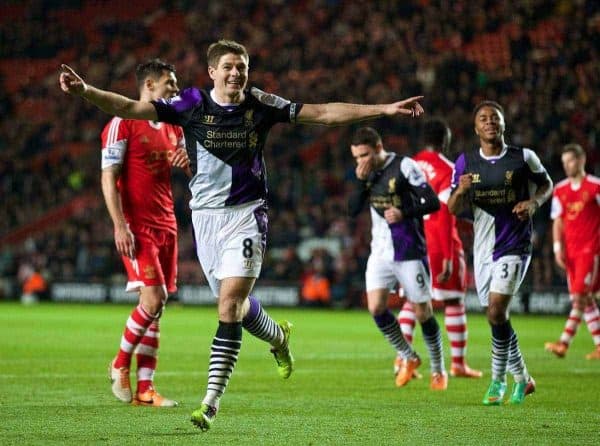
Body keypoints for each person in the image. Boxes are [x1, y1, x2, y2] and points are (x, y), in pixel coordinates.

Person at [59, 39, 425, 431]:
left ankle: (210, 402)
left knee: (228, 306)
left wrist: (384, 109)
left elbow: (321, 113)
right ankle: (279, 339)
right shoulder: (191, 105)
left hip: (248, 215)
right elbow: (129, 107)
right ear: (213, 72)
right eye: (229, 67)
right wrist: (86, 92)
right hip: (205, 220)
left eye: (242, 66)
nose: (236, 73)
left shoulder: (260, 103)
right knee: (237, 305)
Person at [447, 100, 552, 405]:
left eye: (495, 117)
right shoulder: (465, 162)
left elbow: (546, 185)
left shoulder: (523, 158)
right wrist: (460, 191)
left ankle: (497, 381)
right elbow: (452, 209)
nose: (490, 122)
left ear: (504, 124)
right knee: (496, 317)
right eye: (483, 118)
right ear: (475, 127)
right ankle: (524, 378)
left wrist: (533, 203)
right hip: (483, 248)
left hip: (515, 244)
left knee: (496, 311)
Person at [102, 59, 190, 407]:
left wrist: (187, 162)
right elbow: (108, 178)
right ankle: (119, 363)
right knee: (153, 300)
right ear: (149, 86)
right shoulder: (121, 123)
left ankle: (145, 389)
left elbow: (185, 166)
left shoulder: (173, 126)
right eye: (170, 83)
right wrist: (119, 224)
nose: (176, 89)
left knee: (157, 308)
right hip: (137, 227)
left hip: (167, 223)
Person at [348, 126, 448, 391]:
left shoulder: (405, 166)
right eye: (357, 157)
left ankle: (439, 370)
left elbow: (432, 202)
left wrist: (404, 212)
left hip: (408, 249)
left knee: (422, 311)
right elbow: (351, 210)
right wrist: (361, 182)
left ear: (378, 148)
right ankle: (408, 356)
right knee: (376, 308)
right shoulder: (366, 174)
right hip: (380, 251)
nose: (361, 161)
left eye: (365, 155)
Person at [395, 118, 482, 379]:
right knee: (454, 301)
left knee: (412, 301)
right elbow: (444, 211)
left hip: (409, 241)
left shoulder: (405, 165)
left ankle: (402, 361)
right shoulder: (447, 168)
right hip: (438, 242)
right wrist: (445, 253)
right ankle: (457, 364)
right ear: (445, 141)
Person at [544, 143, 600, 360]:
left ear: (582, 160)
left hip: (591, 250)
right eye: (564, 162)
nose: (567, 165)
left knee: (579, 297)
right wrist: (558, 247)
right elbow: (557, 221)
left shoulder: (595, 186)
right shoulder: (560, 189)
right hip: (571, 253)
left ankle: (563, 343)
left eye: (571, 161)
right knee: (586, 300)